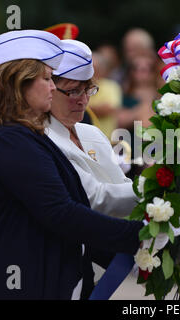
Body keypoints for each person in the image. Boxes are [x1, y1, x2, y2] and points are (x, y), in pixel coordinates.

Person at [0, 30, 143, 300]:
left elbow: (62, 211)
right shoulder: (8, 139)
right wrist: (139, 236)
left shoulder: (20, 135)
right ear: (17, 84)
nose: (53, 86)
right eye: (46, 78)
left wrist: (126, 253)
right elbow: (60, 213)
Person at [46, 39, 138, 218]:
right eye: (73, 91)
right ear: (49, 89)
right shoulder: (42, 138)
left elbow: (122, 183)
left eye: (88, 89)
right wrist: (157, 186)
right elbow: (94, 198)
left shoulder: (91, 132)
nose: (84, 100)